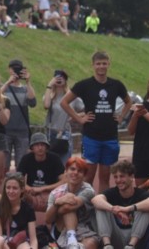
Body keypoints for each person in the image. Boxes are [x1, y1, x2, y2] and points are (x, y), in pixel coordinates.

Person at [60, 51, 132, 193]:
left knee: (105, 178)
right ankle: (87, 208)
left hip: (110, 137)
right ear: (93, 65)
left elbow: (128, 101)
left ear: (108, 64)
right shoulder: (85, 85)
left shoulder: (116, 85)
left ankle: (102, 207)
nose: (101, 66)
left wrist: (121, 116)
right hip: (91, 137)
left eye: (104, 63)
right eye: (98, 63)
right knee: (88, 178)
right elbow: (64, 102)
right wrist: (79, 118)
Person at [91, 160, 149, 249]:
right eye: (115, 177)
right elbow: (96, 199)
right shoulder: (112, 192)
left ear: (131, 176)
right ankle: (107, 245)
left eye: (122, 176)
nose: (118, 180)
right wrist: (114, 210)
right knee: (101, 207)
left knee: (145, 208)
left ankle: (131, 246)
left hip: (136, 239)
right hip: (116, 237)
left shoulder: (140, 193)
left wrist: (127, 209)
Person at [45, 157, 99, 249]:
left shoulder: (88, 190)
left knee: (91, 244)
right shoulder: (55, 193)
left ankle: (71, 244)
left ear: (84, 175)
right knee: (68, 207)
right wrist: (57, 203)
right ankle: (72, 241)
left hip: (84, 229)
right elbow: (48, 220)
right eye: (72, 169)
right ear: (66, 171)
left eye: (80, 171)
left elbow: (68, 206)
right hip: (62, 228)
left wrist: (60, 206)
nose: (75, 173)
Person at [1, 59, 36, 171]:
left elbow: (33, 102)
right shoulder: (4, 87)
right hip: (5, 130)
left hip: (22, 131)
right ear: (9, 69)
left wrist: (28, 82)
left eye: (17, 69)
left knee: (21, 164)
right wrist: (8, 82)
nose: (15, 71)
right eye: (13, 68)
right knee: (3, 164)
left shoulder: (25, 89)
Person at [17, 133, 65, 212]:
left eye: (42, 145)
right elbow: (18, 179)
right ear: (32, 147)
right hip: (31, 192)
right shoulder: (26, 159)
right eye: (37, 145)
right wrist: (28, 188)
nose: (40, 148)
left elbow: (64, 181)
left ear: (46, 147)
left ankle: (54, 221)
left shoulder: (55, 158)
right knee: (16, 192)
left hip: (51, 192)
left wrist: (42, 189)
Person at [43, 69, 83, 163]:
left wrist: (75, 116)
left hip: (65, 132)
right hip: (51, 133)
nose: (59, 79)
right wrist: (49, 85)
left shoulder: (71, 97)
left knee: (65, 163)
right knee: (50, 163)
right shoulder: (50, 95)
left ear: (65, 80)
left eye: (62, 77)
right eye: (57, 77)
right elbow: (46, 105)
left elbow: (86, 109)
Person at [0, 174, 38, 249]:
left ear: (22, 189)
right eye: (8, 188)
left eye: (15, 188)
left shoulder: (28, 209)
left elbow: (33, 239)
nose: (11, 191)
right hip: (2, 242)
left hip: (21, 241)